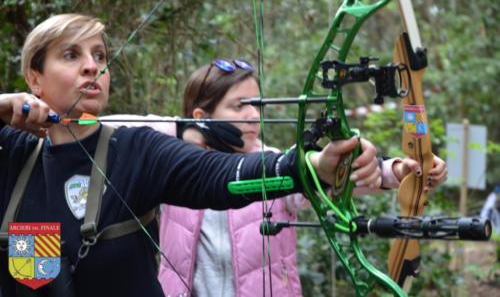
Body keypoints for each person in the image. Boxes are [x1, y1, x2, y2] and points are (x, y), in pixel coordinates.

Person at [0, 14, 382, 297]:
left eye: (99, 55)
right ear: (34, 78)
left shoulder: (137, 150)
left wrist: (313, 165)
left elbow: (223, 175)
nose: (93, 66)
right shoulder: (13, 154)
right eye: (71, 55)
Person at [106, 59, 447, 296]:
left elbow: (332, 176)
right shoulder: (170, 168)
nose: (253, 115)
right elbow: (113, 127)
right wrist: (188, 131)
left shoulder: (278, 165)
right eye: (239, 106)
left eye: (256, 105)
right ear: (202, 116)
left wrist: (401, 171)